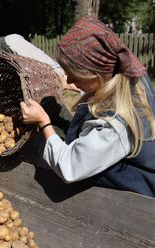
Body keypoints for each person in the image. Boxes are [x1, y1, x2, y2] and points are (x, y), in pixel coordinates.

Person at [20, 15, 155, 197]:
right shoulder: (127, 76)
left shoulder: (116, 124)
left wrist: (44, 122)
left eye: (75, 75)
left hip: (135, 200)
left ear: (97, 75)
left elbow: (70, 167)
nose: (69, 80)